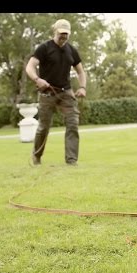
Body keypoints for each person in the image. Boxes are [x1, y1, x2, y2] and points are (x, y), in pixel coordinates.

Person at [25, 18, 87, 166]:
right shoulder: (44, 48)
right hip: (47, 93)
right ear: (55, 31)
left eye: (66, 34)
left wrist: (82, 87)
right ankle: (36, 156)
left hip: (66, 92)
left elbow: (80, 72)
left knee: (73, 124)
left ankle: (71, 160)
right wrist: (37, 79)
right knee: (43, 127)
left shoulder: (71, 50)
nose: (63, 36)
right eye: (61, 33)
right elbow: (30, 67)